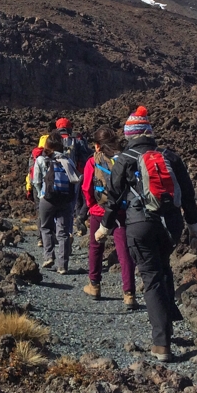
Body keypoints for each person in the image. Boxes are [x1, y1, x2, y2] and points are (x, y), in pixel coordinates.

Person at [97, 106, 197, 361]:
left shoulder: (125, 158)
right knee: (163, 268)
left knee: (152, 276)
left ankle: (161, 343)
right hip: (171, 224)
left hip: (140, 224)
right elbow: (188, 196)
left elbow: (113, 197)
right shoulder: (169, 157)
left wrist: (104, 227)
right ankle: (168, 325)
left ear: (130, 135)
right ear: (150, 133)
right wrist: (195, 227)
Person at [81, 126, 136, 308]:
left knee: (96, 247)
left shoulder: (92, 162)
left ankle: (94, 285)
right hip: (121, 211)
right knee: (124, 251)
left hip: (99, 210)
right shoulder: (123, 159)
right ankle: (129, 293)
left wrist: (91, 206)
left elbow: (86, 187)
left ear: (97, 146)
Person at [31, 133, 79, 274]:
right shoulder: (68, 161)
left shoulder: (41, 160)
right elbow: (75, 183)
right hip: (65, 200)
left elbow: (36, 181)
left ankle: (48, 256)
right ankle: (63, 266)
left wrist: (41, 195)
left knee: (46, 228)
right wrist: (73, 202)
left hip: (47, 199)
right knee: (63, 233)